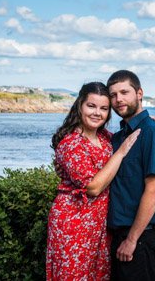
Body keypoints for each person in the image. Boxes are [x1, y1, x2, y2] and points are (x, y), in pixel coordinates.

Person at [46, 82, 140, 281]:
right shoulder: (70, 143)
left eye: (104, 108)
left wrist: (147, 125)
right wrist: (121, 152)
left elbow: (129, 138)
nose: (97, 113)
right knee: (73, 275)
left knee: (97, 275)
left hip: (99, 223)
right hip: (74, 220)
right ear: (80, 105)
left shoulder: (105, 137)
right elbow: (93, 188)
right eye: (91, 106)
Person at [106, 70, 155, 281]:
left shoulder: (151, 132)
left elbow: (153, 192)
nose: (118, 99)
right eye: (113, 95)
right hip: (119, 235)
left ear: (139, 93)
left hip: (138, 237)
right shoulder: (119, 137)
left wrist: (132, 239)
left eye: (124, 92)